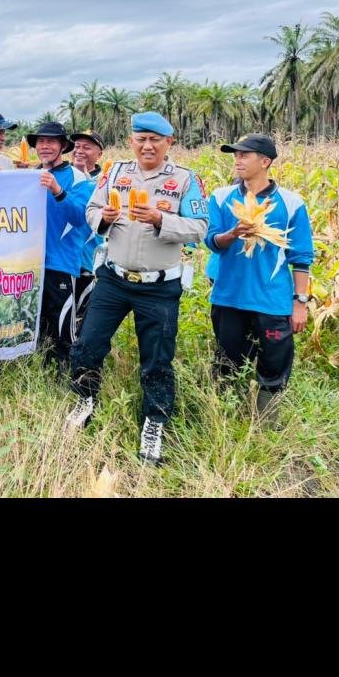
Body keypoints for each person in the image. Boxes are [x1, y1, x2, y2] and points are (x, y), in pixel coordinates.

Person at [66, 111, 208, 464]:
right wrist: (104, 218)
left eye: (155, 139)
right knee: (88, 345)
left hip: (159, 287)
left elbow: (200, 227)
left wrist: (162, 220)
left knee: (157, 360)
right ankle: (85, 400)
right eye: (141, 138)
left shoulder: (186, 180)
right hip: (113, 280)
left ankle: (153, 424)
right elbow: (91, 210)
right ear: (132, 141)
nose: (147, 145)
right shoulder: (115, 173)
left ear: (168, 143)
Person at [204, 133, 314, 423]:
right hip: (229, 297)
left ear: (265, 161)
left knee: (274, 363)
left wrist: (300, 302)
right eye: (235, 155)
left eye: (245, 154)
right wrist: (233, 234)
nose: (237, 160)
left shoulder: (291, 203)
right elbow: (212, 241)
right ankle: (226, 419)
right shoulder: (220, 197)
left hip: (272, 300)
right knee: (228, 362)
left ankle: (266, 423)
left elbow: (301, 258)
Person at [31, 122, 94, 365]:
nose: (44, 146)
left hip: (61, 264)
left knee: (61, 330)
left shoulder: (78, 178)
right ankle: (40, 379)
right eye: (40, 141)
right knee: (37, 328)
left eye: (51, 141)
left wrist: (58, 191)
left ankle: (66, 380)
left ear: (62, 146)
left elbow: (80, 216)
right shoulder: (29, 175)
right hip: (31, 264)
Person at [69, 130, 107, 327]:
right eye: (76, 146)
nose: (80, 151)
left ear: (99, 153)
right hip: (61, 259)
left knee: (82, 315)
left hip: (88, 260)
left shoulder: (106, 181)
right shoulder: (63, 175)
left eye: (87, 147)